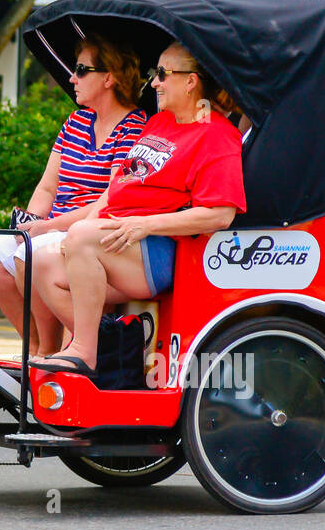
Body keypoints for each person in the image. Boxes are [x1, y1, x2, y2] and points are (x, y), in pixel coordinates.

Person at [29, 41, 247, 375]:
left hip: (156, 249)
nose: (154, 82)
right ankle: (116, 349)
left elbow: (220, 214)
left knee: (81, 240)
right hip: (120, 237)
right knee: (42, 263)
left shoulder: (217, 136)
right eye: (153, 73)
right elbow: (118, 187)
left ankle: (85, 351)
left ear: (190, 82)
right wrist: (82, 225)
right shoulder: (160, 122)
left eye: (162, 74)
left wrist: (145, 225)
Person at [0, 34, 146, 357]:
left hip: (90, 233)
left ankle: (49, 348)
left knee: (29, 254)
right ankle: (34, 344)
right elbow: (47, 187)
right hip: (54, 228)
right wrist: (29, 224)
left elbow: (109, 201)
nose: (72, 78)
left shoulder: (134, 127)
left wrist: (47, 228)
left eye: (82, 70)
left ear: (109, 77)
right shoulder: (76, 121)